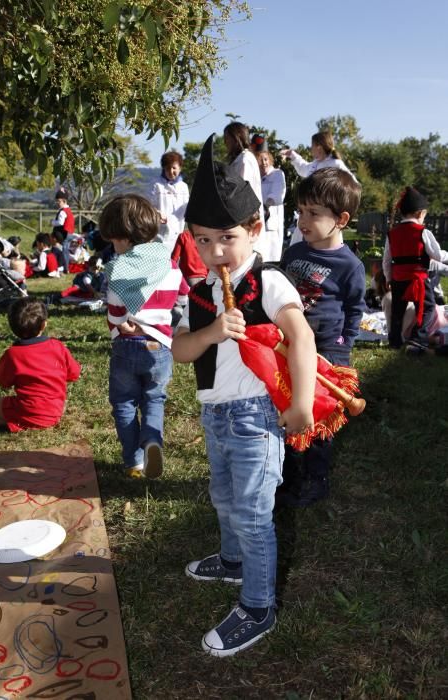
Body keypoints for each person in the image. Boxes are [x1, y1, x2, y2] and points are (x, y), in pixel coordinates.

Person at [172, 134, 317, 657]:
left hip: (257, 417)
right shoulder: (200, 292)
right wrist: (212, 332)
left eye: (227, 238)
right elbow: (182, 352)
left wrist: (299, 404)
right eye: (203, 240)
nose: (215, 252)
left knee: (255, 513)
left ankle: (258, 605)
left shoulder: (268, 280)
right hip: (215, 416)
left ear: (254, 231)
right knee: (224, 497)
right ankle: (232, 562)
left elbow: (301, 336)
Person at [277, 168, 365, 508]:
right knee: (286, 404)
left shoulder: (350, 266)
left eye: (313, 213)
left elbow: (355, 309)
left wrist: (344, 343)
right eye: (300, 211)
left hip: (327, 351)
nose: (303, 220)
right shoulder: (295, 253)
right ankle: (286, 476)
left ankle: (316, 477)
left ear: (341, 219)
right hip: (289, 345)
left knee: (319, 417)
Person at [100, 194, 188, 480]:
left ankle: (134, 461)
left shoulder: (119, 269)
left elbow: (115, 314)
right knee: (154, 400)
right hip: (160, 347)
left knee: (125, 403)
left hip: (126, 345)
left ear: (125, 238)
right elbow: (184, 294)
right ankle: (152, 441)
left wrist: (119, 324)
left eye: (114, 241)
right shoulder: (170, 265)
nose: (114, 247)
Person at [0, 297, 81, 431]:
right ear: (44, 324)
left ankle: (9, 421)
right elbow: (74, 374)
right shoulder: (58, 346)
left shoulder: (13, 354)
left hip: (27, 410)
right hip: (55, 412)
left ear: (12, 328)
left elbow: (3, 381)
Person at [382, 186, 448, 353]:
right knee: (427, 307)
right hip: (418, 279)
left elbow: (387, 260)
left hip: (398, 279)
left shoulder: (392, 234)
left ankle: (395, 341)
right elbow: (437, 255)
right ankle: (417, 339)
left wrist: (389, 278)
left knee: (397, 310)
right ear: (420, 214)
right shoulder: (423, 232)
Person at [223, 122, 269, 261]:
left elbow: (242, 192)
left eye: (227, 138)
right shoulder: (241, 159)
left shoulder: (245, 160)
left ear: (236, 138)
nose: (225, 142)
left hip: (246, 218)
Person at [149, 151, 189, 253]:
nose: (171, 171)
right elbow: (148, 206)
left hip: (178, 234)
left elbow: (186, 210)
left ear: (180, 168)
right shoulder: (156, 185)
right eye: (167, 168)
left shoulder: (183, 187)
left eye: (174, 168)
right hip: (160, 234)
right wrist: (158, 213)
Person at [280, 130, 356, 180]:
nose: (311, 148)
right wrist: (291, 154)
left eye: (312, 145)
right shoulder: (315, 164)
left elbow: (354, 184)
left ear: (319, 148)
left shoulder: (335, 164)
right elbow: (304, 169)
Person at [257, 149, 286, 262]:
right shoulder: (256, 176)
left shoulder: (277, 174)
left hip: (271, 221)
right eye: (260, 160)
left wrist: (265, 206)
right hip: (258, 219)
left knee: (271, 255)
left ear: (270, 160)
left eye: (265, 159)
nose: (263, 162)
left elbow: (277, 194)